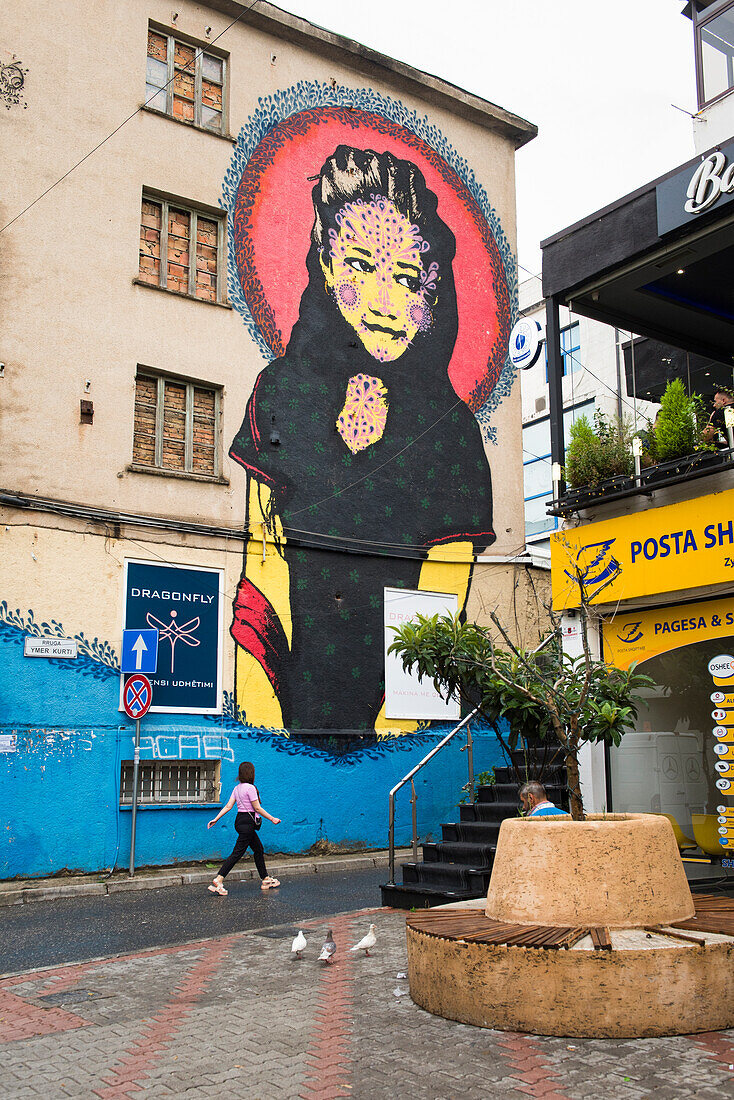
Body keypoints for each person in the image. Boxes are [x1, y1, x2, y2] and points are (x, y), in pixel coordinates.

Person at [229, 145, 495, 732]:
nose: (383, 301)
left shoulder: (451, 434)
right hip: (287, 711)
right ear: (324, 266)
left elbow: (439, 608)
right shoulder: (279, 394)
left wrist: (390, 740)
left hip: (401, 726)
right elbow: (262, 575)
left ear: (432, 291)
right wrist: (262, 726)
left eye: (406, 277)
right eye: (358, 266)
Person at [207, 761, 281, 894]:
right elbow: (257, 807)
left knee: (258, 849)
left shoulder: (237, 788)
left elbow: (229, 806)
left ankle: (265, 879)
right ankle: (219, 879)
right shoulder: (251, 788)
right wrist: (272, 818)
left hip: (240, 821)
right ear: (251, 774)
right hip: (248, 823)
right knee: (238, 852)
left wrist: (216, 819)